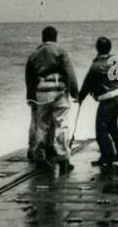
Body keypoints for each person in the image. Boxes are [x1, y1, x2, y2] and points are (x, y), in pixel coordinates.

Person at [25, 25, 79, 173]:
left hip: (41, 92)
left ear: (43, 38)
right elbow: (70, 73)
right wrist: (75, 93)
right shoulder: (60, 51)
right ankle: (63, 160)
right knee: (61, 125)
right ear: (56, 37)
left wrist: (30, 97)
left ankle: (40, 157)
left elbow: (29, 78)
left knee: (42, 126)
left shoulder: (34, 54)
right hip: (59, 92)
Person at [78, 35, 118, 170]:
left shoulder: (96, 65)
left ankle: (107, 156)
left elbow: (87, 84)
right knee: (113, 126)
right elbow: (113, 80)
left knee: (101, 129)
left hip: (108, 100)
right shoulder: (116, 60)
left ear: (97, 48)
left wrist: (80, 97)